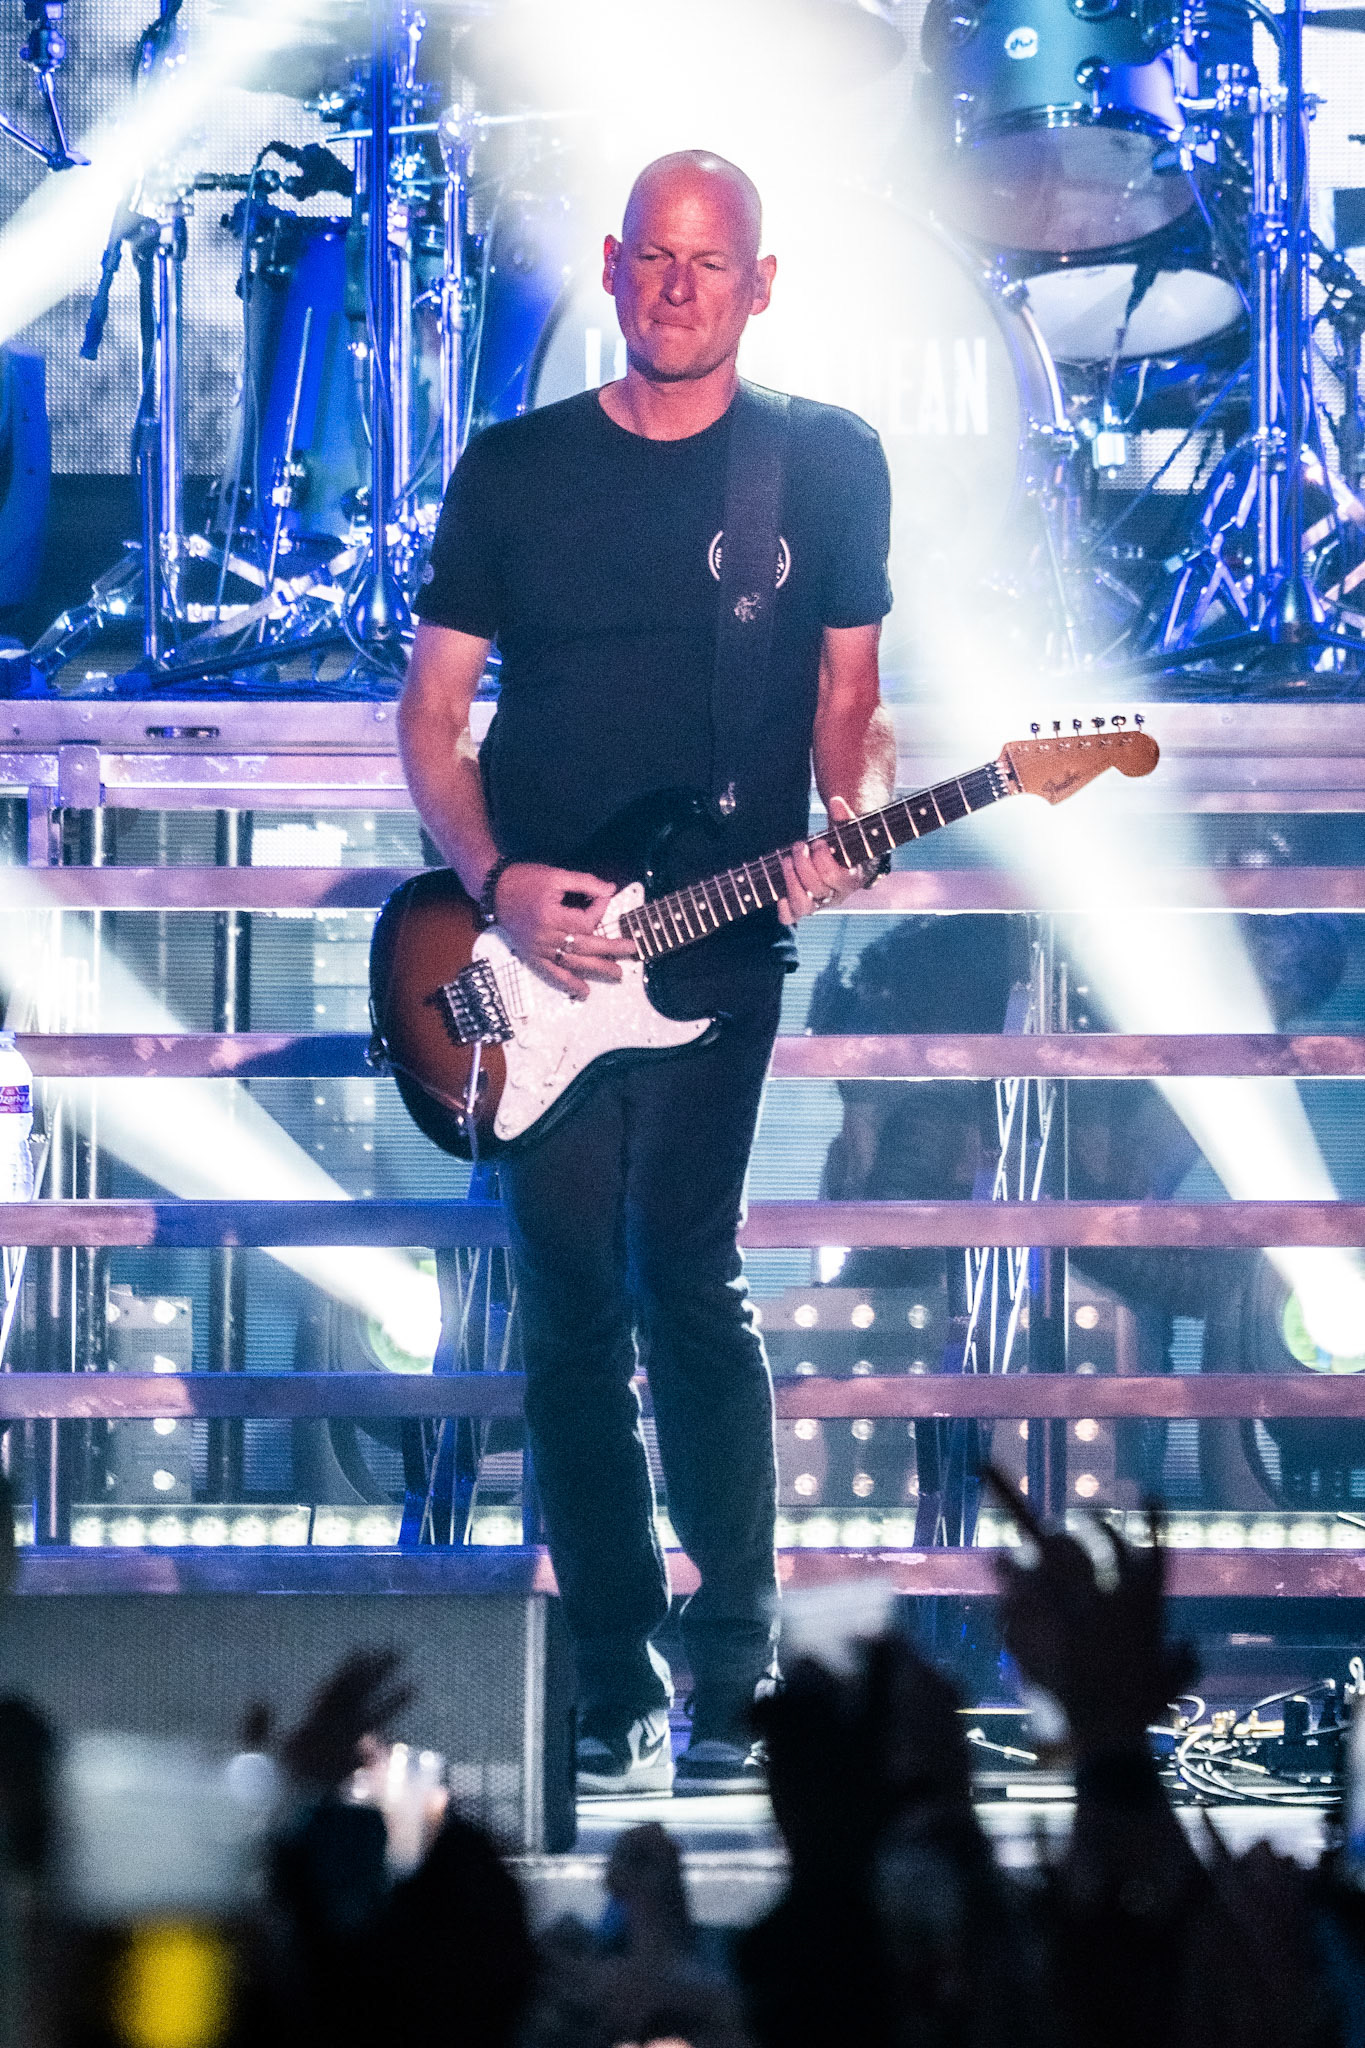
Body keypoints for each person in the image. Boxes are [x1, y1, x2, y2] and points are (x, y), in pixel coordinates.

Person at [398, 149, 895, 1794]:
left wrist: (855, 820)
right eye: (653, 260)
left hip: (719, 937)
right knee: (567, 1309)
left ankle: (735, 1672)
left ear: (762, 283)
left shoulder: (823, 463)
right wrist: (497, 882)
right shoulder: (515, 469)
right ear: (612, 268)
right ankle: (610, 1675)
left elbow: (849, 708)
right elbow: (432, 713)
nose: (678, 290)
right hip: (531, 956)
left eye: (711, 263)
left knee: (688, 1278)